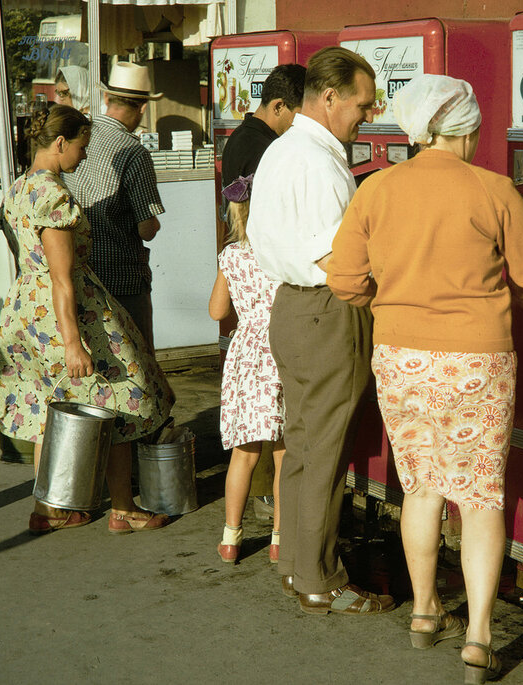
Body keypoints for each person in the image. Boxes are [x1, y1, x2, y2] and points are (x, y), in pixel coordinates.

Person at [326, 74, 523, 682]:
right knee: (481, 496)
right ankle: (481, 637)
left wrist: (397, 296)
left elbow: (346, 282)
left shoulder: (376, 189)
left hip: (401, 357)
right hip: (477, 361)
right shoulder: (494, 189)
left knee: (422, 486)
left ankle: (426, 612)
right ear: (468, 128)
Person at [247, 46, 394, 615]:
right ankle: (321, 579)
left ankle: (296, 566)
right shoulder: (318, 161)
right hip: (328, 311)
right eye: (360, 105)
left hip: (292, 308)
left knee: (304, 445)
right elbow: (343, 259)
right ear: (329, 97)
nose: (366, 116)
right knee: (325, 454)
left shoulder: (284, 150)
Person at [0, 103, 175, 535]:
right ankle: (124, 509)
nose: (86, 156)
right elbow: (62, 279)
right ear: (60, 143)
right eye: (82, 146)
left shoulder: (19, 187)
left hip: (27, 311)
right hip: (67, 312)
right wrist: (74, 342)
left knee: (44, 406)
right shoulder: (53, 195)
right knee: (121, 395)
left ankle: (49, 508)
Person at [210, 63, 306, 565]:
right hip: (280, 349)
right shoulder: (275, 253)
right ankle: (276, 541)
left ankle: (228, 537)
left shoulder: (231, 255)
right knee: (284, 453)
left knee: (243, 454)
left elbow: (214, 310)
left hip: (245, 356)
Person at [64, 62, 165, 351]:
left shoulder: (78, 136)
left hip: (78, 272)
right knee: (138, 360)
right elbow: (147, 229)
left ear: (107, 98)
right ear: (143, 107)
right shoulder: (134, 152)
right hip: (123, 278)